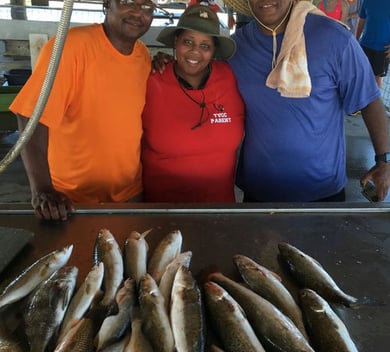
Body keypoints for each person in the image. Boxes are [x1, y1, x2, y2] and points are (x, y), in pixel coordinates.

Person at [221, 0, 390, 202]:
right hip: (259, 192)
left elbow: (369, 99)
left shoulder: (335, 38)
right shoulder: (236, 47)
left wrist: (384, 160)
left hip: (322, 192)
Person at [9, 0, 156, 221]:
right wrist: (42, 189)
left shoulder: (143, 56)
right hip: (70, 199)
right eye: (127, 2)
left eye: (146, 7)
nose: (137, 13)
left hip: (129, 193)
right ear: (108, 4)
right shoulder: (70, 46)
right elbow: (31, 115)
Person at [142, 5, 244, 202]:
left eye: (205, 45)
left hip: (219, 211)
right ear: (175, 42)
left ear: (214, 50)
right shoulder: (150, 78)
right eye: (187, 42)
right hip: (161, 210)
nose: (195, 52)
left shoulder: (230, 76)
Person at [356, 0, 390, 89]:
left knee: (377, 79)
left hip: (383, 48)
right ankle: (362, 101)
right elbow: (361, 22)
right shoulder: (366, 1)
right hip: (365, 45)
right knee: (361, 76)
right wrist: (356, 40)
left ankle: (374, 102)